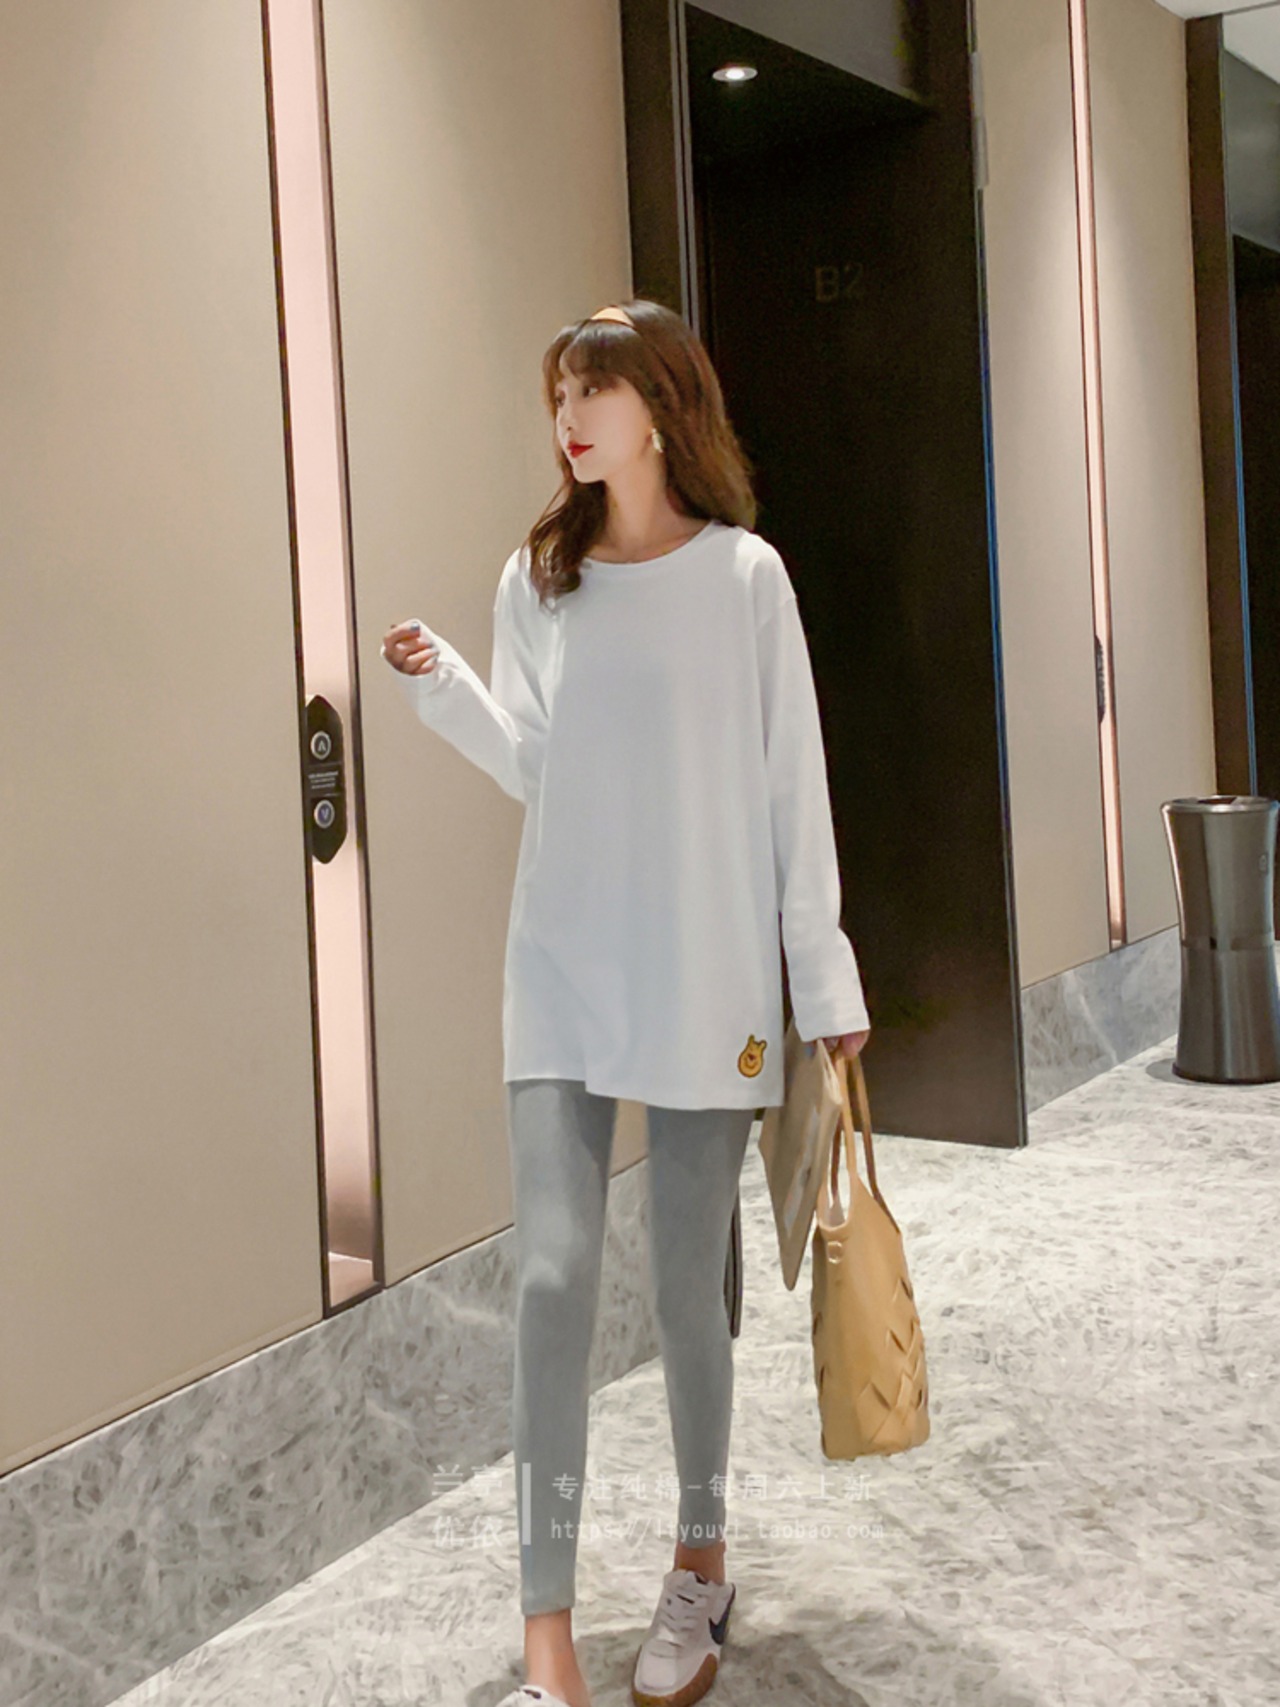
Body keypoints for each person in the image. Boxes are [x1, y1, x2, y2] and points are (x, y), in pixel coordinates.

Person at [381, 299, 871, 1707]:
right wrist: (449, 693)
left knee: (684, 1289)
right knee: (550, 1279)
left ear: (660, 407)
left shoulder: (746, 578)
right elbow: (539, 766)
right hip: (565, 958)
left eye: (593, 391)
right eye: (559, 396)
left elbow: (793, 786)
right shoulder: (539, 578)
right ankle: (547, 1625)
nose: (569, 418)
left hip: (710, 967)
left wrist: (822, 972)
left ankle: (699, 1562)